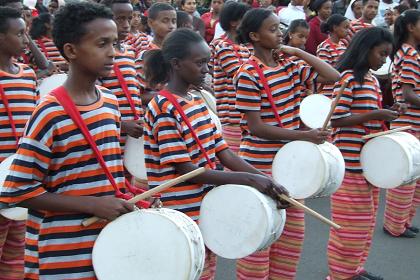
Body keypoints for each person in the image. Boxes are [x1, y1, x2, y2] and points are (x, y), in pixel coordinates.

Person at [0, 2, 138, 279]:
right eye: (102, 44)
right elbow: (16, 191)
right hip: (61, 253)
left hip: (106, 246)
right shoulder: (50, 112)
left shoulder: (110, 103)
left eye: (114, 43)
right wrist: (93, 204)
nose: (113, 52)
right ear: (71, 51)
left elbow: (104, 174)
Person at [143, 28, 289, 280]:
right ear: (176, 64)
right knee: (188, 270)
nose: (206, 69)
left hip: (205, 206)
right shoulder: (163, 107)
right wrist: (251, 180)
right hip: (180, 212)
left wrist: (266, 181)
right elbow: (186, 171)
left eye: (207, 62)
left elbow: (223, 153)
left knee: (206, 269)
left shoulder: (197, 101)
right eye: (200, 63)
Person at [234, 8, 339, 280]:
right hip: (260, 165)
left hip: (290, 165)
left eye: (279, 27)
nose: (279, 33)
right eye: (272, 29)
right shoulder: (247, 73)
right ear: (255, 36)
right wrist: (304, 136)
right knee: (259, 238)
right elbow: (255, 127)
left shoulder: (288, 65)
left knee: (290, 242)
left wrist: (299, 52)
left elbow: (332, 76)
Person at [327, 27, 401, 280]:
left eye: (387, 55)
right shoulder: (348, 78)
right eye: (381, 54)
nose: (384, 60)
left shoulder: (370, 79)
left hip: (368, 164)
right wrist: (374, 115)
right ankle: (340, 275)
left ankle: (354, 269)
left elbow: (367, 116)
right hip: (349, 164)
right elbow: (333, 119)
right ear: (365, 49)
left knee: (365, 223)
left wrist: (388, 112)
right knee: (350, 226)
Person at [0, 7, 37, 280]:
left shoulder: (27, 74)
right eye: (19, 33)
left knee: (17, 247)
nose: (26, 39)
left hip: (21, 174)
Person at [383, 10, 420, 239]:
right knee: (407, 176)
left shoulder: (409, 52)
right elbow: (408, 94)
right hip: (410, 123)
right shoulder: (410, 54)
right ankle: (395, 224)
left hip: (413, 121)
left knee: (414, 176)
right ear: (410, 27)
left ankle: (403, 222)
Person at [100, 0, 143, 152]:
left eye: (129, 18)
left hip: (134, 133)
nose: (126, 25)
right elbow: (96, 100)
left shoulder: (130, 51)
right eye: (120, 19)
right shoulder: (101, 55)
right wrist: (122, 124)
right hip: (113, 132)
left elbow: (134, 92)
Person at [211, 1, 250, 154]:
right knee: (234, 158)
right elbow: (241, 74)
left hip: (243, 115)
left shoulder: (245, 48)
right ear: (234, 22)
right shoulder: (223, 47)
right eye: (246, 19)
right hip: (231, 116)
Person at [135, 2, 176, 105]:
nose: (171, 26)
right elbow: (138, 96)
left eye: (174, 21)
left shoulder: (179, 52)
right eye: (165, 21)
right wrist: (170, 94)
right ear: (150, 23)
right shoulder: (146, 55)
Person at [0, 0, 50, 74]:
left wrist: (23, 32)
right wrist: (44, 73)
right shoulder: (11, 43)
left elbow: (44, 65)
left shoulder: (21, 42)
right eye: (13, 11)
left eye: (21, 11)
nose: (20, 15)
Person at [317, 14, 349, 98]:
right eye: (345, 27)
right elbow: (324, 72)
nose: (348, 31)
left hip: (341, 89)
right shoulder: (324, 47)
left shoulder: (343, 44)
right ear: (335, 28)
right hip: (329, 92)